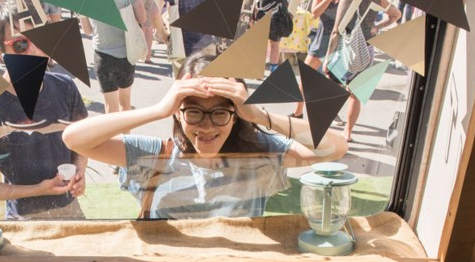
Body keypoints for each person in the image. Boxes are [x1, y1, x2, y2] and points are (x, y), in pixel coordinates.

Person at [62, 53, 348, 219]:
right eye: (194, 112)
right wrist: (158, 109)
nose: (207, 127)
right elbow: (74, 138)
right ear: (178, 111)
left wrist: (261, 116)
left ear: (237, 115)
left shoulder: (259, 153)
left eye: (221, 113)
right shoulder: (156, 155)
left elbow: (334, 148)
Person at [0, 1, 88, 219]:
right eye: (20, 44)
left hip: (72, 212)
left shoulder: (65, 87)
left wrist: (80, 169)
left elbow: (83, 140)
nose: (34, 51)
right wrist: (38, 190)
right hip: (25, 221)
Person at [325, 0, 399, 142]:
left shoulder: (347, 0)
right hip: (367, 51)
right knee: (355, 94)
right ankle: (348, 132)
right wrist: (377, 27)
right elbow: (396, 15)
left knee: (330, 89)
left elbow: (336, 32)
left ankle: (325, 127)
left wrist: (328, 57)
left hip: (346, 52)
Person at [293, 0, 348, 118]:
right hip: (322, 37)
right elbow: (315, 13)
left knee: (333, 81)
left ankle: (328, 113)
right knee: (306, 76)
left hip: (340, 39)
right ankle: (298, 112)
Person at [92, 0, 146, 113]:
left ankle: (112, 136)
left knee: (110, 107)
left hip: (102, 52)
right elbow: (142, 17)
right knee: (125, 104)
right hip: (126, 52)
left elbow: (87, 30)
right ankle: (125, 136)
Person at [250, 0, 296, 73]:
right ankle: (273, 70)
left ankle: (258, 70)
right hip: (280, 8)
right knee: (275, 44)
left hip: (263, 7)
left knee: (261, 42)